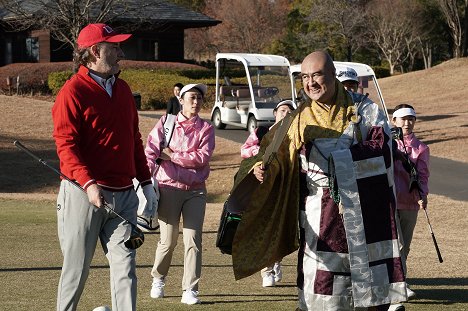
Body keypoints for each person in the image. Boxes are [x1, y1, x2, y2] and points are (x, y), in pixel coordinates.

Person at [227, 51, 407, 310]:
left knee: (367, 294)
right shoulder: (296, 118)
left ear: (333, 75)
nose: (311, 83)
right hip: (317, 216)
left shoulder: (365, 111)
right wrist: (262, 169)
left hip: (364, 216)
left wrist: (339, 160)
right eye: (305, 77)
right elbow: (275, 157)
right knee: (320, 291)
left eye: (317, 75)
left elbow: (383, 151)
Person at [52, 23, 157, 311]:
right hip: (82, 195)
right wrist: (88, 183)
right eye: (115, 47)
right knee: (76, 271)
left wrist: (146, 184)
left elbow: (134, 140)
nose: (121, 52)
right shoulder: (72, 92)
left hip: (123, 196)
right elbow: (66, 147)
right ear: (95, 51)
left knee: (126, 270)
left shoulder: (123, 89)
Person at [145, 83, 215, 305]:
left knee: (193, 240)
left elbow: (201, 158)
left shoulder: (206, 128)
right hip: (168, 188)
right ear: (181, 99)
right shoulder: (167, 123)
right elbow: (151, 151)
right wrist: (145, 179)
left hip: (195, 191)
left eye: (199, 99)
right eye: (192, 98)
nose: (196, 102)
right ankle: (158, 279)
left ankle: (190, 289)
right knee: (168, 240)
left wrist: (173, 156)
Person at [240, 99, 295, 287]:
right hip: (264, 188)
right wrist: (264, 153)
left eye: (289, 111)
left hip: (286, 188)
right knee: (266, 227)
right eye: (282, 110)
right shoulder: (262, 131)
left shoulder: (296, 135)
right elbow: (245, 150)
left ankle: (276, 261)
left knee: (281, 229)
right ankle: (267, 270)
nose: (285, 114)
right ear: (275, 113)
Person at [388, 104, 430, 311]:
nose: (407, 122)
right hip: (388, 201)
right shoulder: (386, 143)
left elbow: (423, 175)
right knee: (398, 245)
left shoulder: (421, 148)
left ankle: (396, 281)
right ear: (394, 121)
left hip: (410, 201)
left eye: (411, 119)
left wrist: (423, 195)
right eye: (403, 119)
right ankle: (400, 285)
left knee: (406, 247)